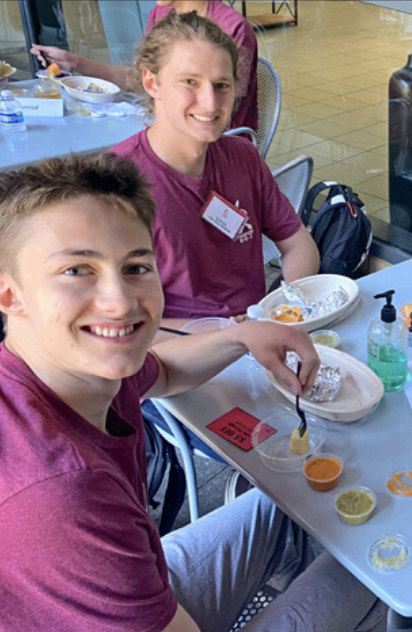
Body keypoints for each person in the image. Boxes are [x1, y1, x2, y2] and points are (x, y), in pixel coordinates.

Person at [0, 153, 385, 631]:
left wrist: (243, 336)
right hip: (114, 582)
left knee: (285, 502)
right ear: (10, 295)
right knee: (379, 571)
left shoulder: (77, 371)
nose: (119, 303)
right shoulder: (58, 495)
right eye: (77, 270)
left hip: (137, 582)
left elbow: (161, 372)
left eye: (136, 267)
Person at [112, 10, 317, 330]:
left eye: (221, 85)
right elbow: (115, 320)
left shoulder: (243, 158)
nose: (210, 103)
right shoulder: (116, 183)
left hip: (255, 337)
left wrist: (281, 312)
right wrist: (222, 337)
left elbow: (299, 245)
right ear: (152, 82)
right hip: (173, 355)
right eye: (189, 82)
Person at [30, 0, 258, 131]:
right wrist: (75, 62)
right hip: (168, 134)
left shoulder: (232, 27)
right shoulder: (160, 14)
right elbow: (140, 79)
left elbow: (216, 111)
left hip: (213, 144)